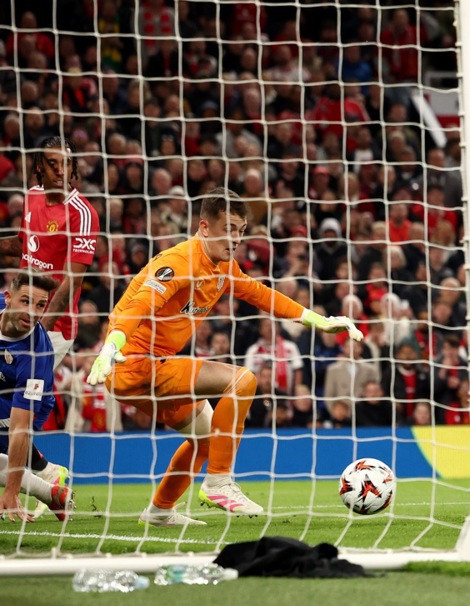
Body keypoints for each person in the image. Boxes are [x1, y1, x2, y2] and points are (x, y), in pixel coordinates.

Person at [86, 188, 363, 525]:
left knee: (206, 440)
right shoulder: (179, 262)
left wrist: (319, 320)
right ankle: (219, 482)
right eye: (228, 229)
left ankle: (159, 511)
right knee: (242, 381)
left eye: (241, 231)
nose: (235, 239)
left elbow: (261, 294)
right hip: (130, 361)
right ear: (204, 227)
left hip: (149, 369)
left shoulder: (224, 267)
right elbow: (139, 306)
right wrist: (111, 345)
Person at [0, 137, 98, 510]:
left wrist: (34, 331)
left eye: (66, 163)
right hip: (19, 314)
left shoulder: (82, 213)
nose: (60, 170)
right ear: (39, 166)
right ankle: (46, 473)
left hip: (51, 329)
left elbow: (71, 281)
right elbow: (25, 245)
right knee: (8, 417)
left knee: (15, 415)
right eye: (52, 163)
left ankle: (37, 478)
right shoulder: (32, 197)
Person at [0, 270, 73, 522]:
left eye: (41, 305)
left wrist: (12, 491)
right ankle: (50, 486)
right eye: (25, 301)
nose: (32, 312)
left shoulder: (36, 356)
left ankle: (45, 478)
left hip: (19, 402)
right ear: (7, 297)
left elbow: (20, 428)